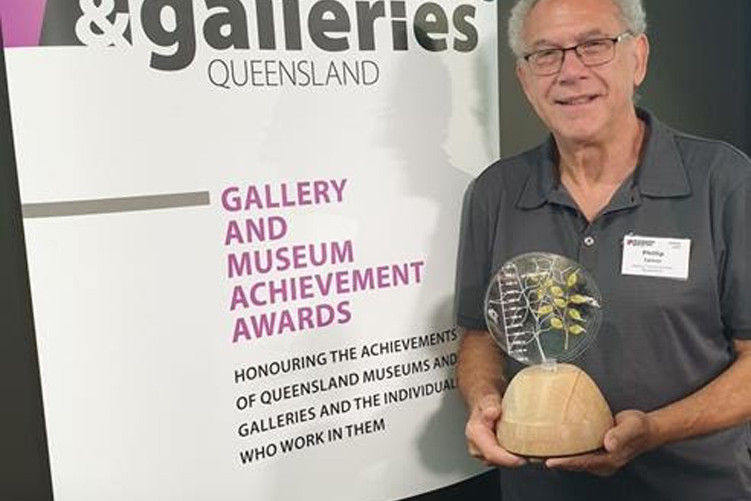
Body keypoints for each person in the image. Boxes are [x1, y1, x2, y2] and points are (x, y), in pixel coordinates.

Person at [455, 0, 751, 499]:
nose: (570, 71)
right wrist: (484, 399)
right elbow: (479, 335)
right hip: (539, 489)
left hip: (693, 488)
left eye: (594, 45)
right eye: (545, 54)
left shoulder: (725, 182)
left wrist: (654, 429)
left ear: (638, 57)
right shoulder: (495, 193)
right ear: (525, 81)